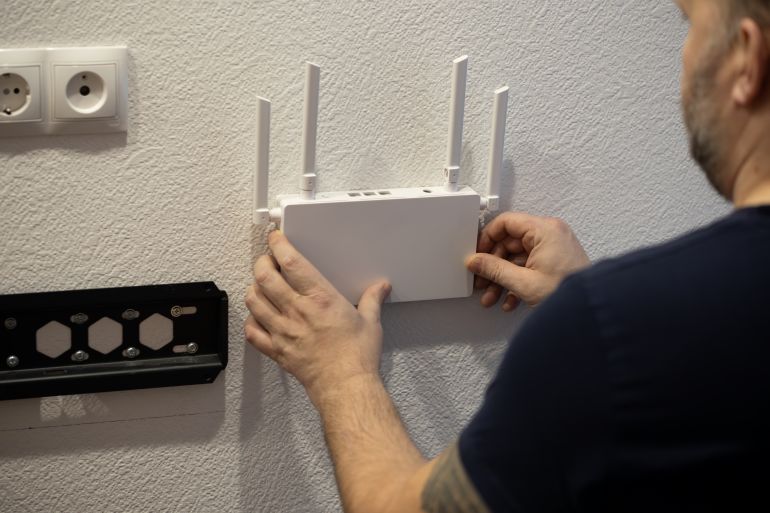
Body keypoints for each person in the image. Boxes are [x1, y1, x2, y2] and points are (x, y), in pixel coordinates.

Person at [244, 0, 770, 511]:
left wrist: (344, 378)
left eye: (689, 25)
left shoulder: (606, 326)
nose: (684, 55)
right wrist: (597, 312)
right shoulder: (642, 324)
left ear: (747, 57)